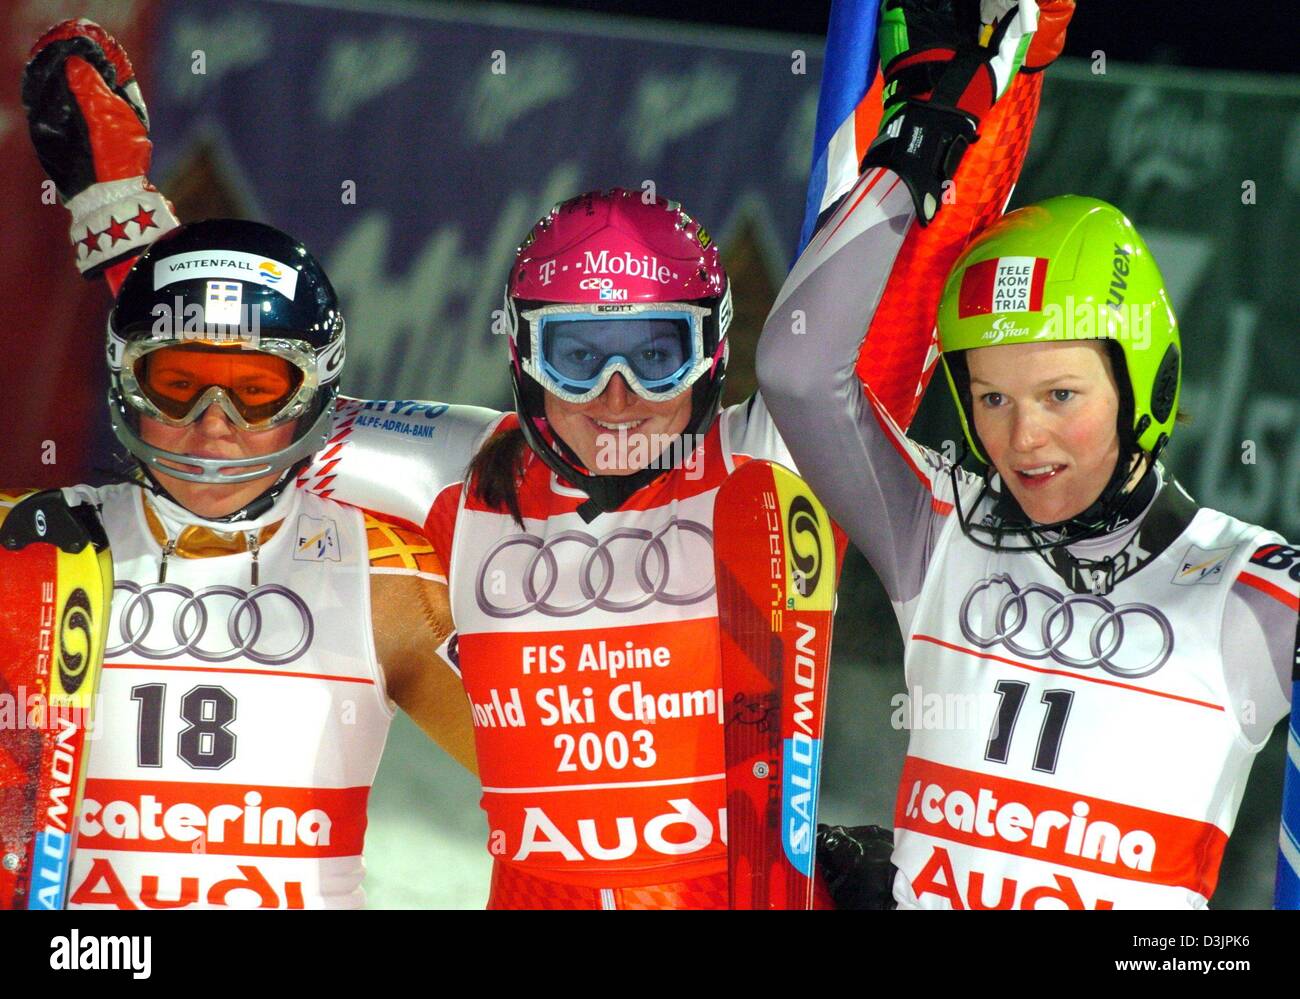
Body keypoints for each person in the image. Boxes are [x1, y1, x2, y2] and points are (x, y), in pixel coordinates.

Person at [25, 7, 1060, 908]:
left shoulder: (769, 461)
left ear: (711, 354)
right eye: (578, 355)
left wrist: (986, 87)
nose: (617, 400)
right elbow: (254, 402)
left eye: (657, 356)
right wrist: (111, 203)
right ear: (522, 356)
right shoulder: (460, 475)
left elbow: (900, 294)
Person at [757, 167, 1299, 906]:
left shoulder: (1244, 582)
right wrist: (905, 166)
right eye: (992, 398)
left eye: (1060, 394)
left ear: (1148, 383)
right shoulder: (939, 530)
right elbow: (796, 369)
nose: (1024, 436)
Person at [2, 216, 476, 909]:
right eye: (177, 382)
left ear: (314, 397)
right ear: (126, 380)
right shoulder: (24, 543)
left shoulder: (387, 577)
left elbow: (564, 793)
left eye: (255, 390)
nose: (214, 421)